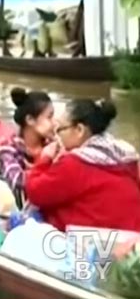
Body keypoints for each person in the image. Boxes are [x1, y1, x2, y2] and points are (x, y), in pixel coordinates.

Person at [25, 98, 140, 232]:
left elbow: (35, 192)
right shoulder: (125, 155)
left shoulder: (76, 163)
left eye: (60, 129)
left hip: (96, 245)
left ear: (79, 130)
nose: (57, 136)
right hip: (130, 242)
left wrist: (45, 158)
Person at [0, 87, 55, 206]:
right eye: (49, 117)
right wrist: (45, 159)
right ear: (30, 120)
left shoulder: (51, 145)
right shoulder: (7, 149)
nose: (55, 123)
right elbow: (18, 182)